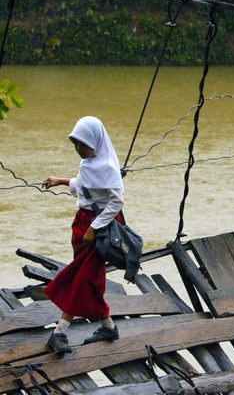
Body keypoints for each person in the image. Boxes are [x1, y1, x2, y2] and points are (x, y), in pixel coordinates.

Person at [42, 116, 124, 354]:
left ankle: (59, 332)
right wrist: (62, 181)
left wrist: (93, 228)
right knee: (91, 278)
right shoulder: (90, 163)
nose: (78, 149)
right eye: (75, 144)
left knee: (82, 278)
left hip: (96, 229)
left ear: (95, 143)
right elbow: (87, 185)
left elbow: (116, 201)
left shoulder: (107, 167)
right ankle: (108, 326)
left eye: (82, 144)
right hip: (83, 225)